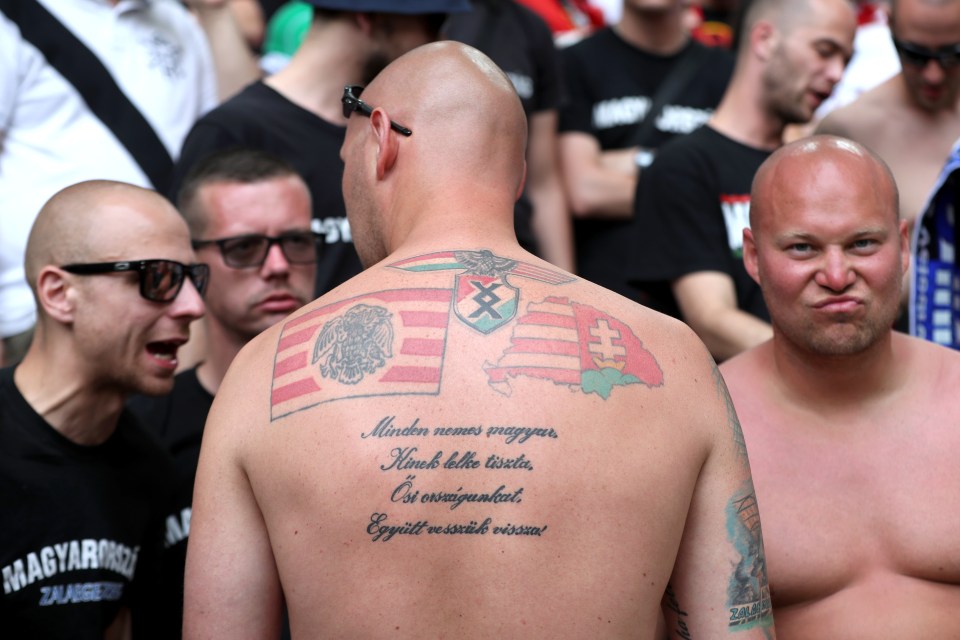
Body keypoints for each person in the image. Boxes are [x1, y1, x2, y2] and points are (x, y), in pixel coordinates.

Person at [183, 41, 775, 638]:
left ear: (380, 140)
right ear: (517, 175)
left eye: (345, 161)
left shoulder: (264, 371)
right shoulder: (675, 359)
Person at [720, 134, 960, 636]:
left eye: (863, 244)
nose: (835, 275)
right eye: (803, 247)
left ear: (902, 246)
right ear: (754, 255)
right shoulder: (706, 424)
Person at [0, 0, 259, 369]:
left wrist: (216, 13)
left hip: (172, 295)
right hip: (44, 307)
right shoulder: (12, 18)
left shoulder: (175, 20)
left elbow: (244, 142)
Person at [0, 180, 207, 638]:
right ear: (59, 293)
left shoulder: (151, 473)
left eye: (194, 279)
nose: (193, 306)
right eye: (158, 278)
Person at [126, 148, 315, 638]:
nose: (277, 266)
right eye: (244, 248)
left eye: (296, 242)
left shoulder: (361, 420)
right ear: (194, 264)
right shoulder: (144, 431)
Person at [171, 0, 470, 307]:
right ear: (368, 17)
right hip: (279, 352)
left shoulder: (398, 131)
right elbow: (188, 280)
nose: (438, 42)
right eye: (433, 24)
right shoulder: (233, 131)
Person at [625, 0, 856, 361]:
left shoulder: (814, 167)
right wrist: (833, 367)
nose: (837, 73)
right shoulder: (684, 165)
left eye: (846, 59)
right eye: (824, 51)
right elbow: (712, 321)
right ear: (765, 40)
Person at [558, 0, 734, 308]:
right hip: (605, 296)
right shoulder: (574, 62)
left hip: (704, 295)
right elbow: (586, 193)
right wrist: (696, 187)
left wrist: (638, 161)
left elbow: (734, 187)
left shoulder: (727, 72)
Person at [444, 0, 575, 271]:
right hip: (436, 245)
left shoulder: (532, 28)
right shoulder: (427, 15)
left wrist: (566, 278)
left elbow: (544, 181)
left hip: (516, 245)